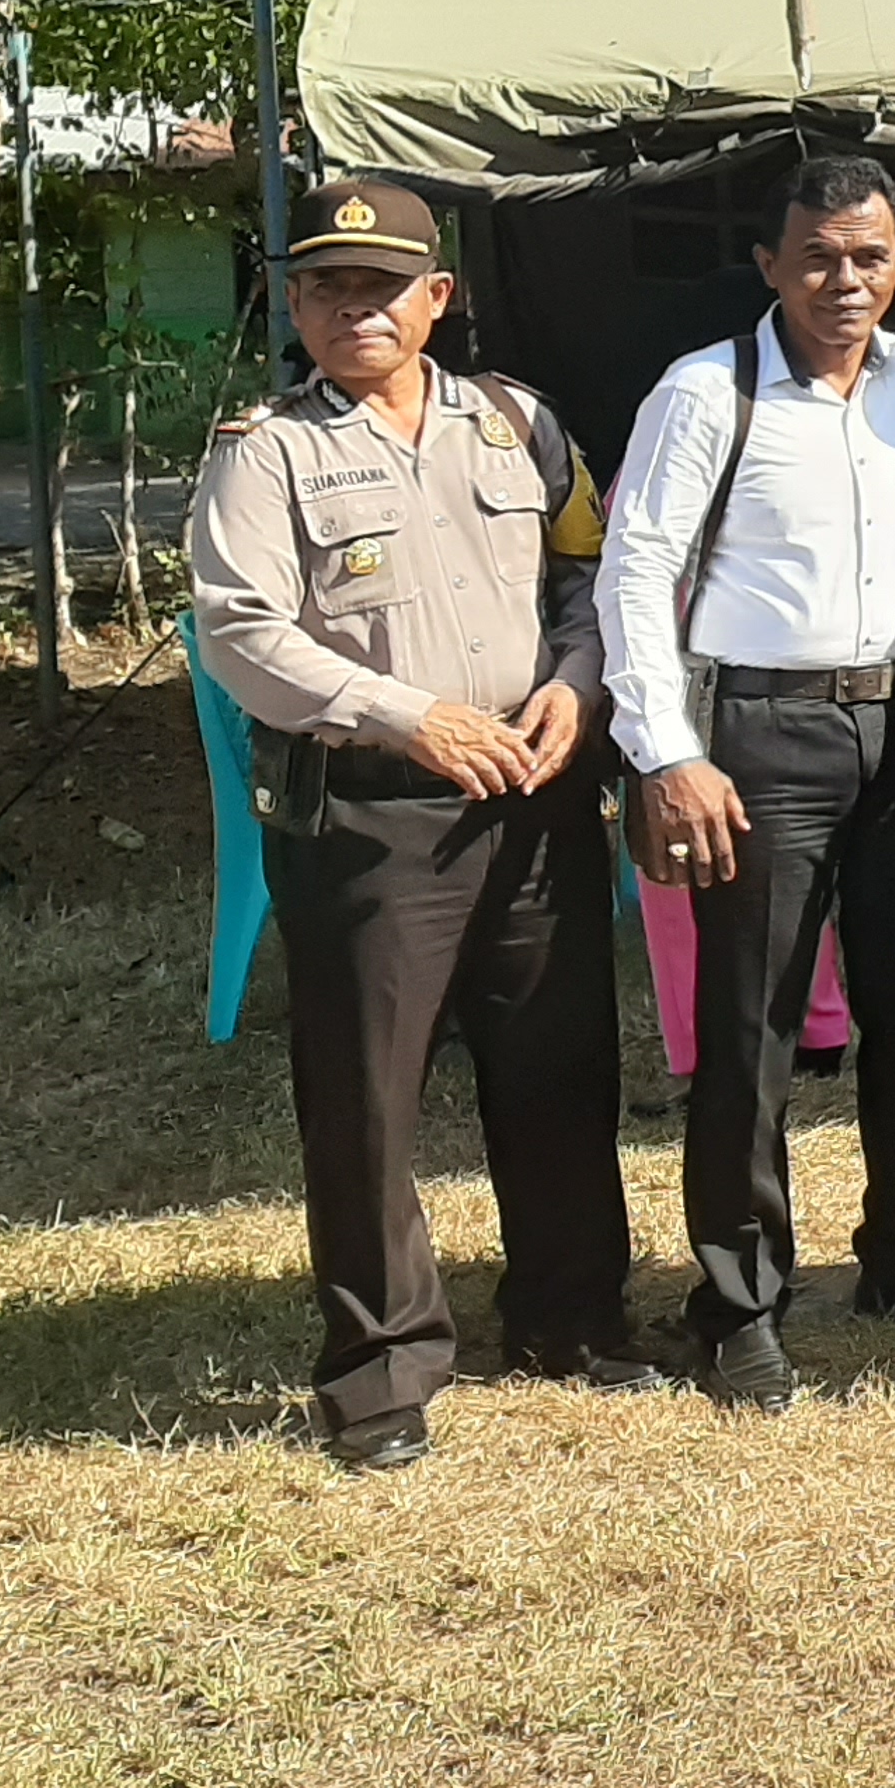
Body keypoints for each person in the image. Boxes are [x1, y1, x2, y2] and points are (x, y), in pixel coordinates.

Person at [189, 180, 647, 1470]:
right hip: (373, 816)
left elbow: (591, 578)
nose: (355, 309)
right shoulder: (265, 449)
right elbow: (242, 632)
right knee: (368, 1101)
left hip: (534, 796)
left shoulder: (518, 424)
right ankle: (382, 1372)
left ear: (437, 299)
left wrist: (578, 683)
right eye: (328, 286)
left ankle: (571, 1319)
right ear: (295, 302)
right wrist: (404, 716)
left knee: (559, 1072)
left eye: (382, 286)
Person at [599, 155, 895, 1412]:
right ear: (772, 266)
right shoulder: (704, 393)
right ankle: (737, 1303)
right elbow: (635, 574)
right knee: (751, 1030)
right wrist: (666, 751)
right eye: (820, 257)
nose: (845, 280)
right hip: (757, 737)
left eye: (870, 255)